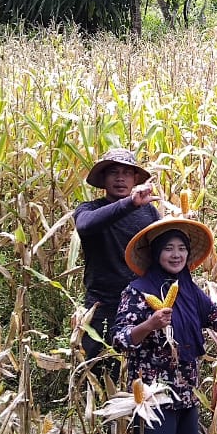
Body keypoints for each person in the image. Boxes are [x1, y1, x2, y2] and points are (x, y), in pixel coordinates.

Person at [113, 217, 217, 434]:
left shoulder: (189, 288)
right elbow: (119, 339)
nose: (176, 255)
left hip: (187, 391)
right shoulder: (138, 290)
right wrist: (149, 325)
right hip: (154, 395)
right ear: (156, 252)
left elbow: (216, 318)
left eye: (181, 248)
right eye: (168, 248)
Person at [73, 148, 161, 365]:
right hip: (102, 305)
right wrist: (130, 203)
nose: (120, 178)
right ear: (103, 178)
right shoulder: (90, 209)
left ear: (135, 179)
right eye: (113, 172)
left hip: (142, 304)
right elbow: (85, 226)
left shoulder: (149, 212)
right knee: (98, 367)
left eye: (127, 173)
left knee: (140, 369)